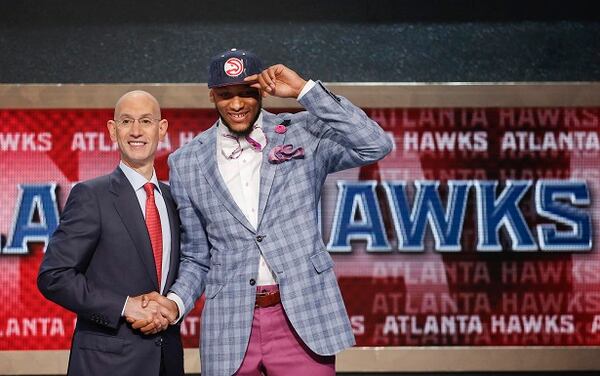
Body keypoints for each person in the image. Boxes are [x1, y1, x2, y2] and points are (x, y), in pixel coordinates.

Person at [148, 48, 393, 376]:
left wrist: (304, 91)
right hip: (230, 324)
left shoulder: (303, 132)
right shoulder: (186, 162)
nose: (237, 104)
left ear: (262, 91)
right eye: (225, 95)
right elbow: (196, 256)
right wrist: (175, 303)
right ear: (212, 96)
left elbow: (375, 144)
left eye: (247, 93)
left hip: (301, 318)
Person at [37, 90, 184, 376]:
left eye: (146, 121)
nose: (137, 131)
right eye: (126, 122)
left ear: (162, 129)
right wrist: (124, 306)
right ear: (112, 131)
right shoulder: (91, 195)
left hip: (167, 362)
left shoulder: (174, 199)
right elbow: (54, 276)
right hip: (107, 365)